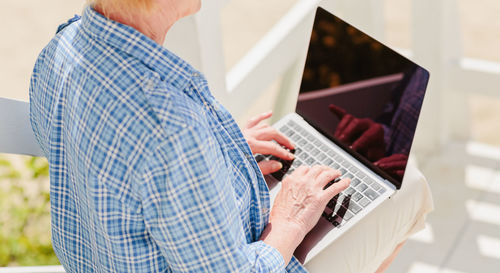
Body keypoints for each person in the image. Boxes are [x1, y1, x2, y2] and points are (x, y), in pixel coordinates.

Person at [29, 0, 351, 272]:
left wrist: (212, 154)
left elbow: (111, 171)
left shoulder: (61, 48)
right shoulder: (172, 129)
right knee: (399, 201)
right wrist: (289, 221)